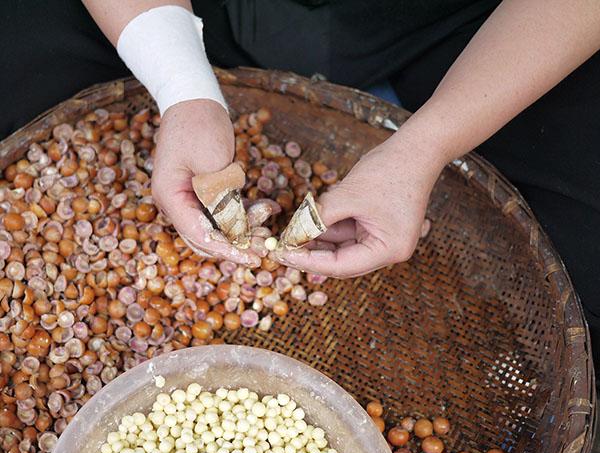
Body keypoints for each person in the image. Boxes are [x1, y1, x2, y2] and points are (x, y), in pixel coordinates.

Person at [1, 1, 599, 368]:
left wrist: (427, 144)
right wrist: (183, 87)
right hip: (206, 10)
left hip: (471, 27)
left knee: (584, 259)